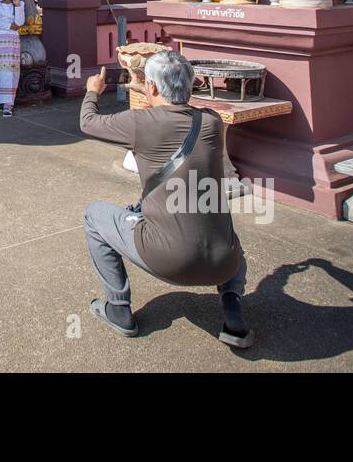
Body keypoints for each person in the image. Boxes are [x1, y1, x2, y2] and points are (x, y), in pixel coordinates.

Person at [79, 50, 252, 348]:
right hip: (225, 261)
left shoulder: (139, 123)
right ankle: (233, 311)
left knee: (94, 215)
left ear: (154, 88)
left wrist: (92, 91)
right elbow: (178, 113)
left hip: (168, 259)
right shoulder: (211, 123)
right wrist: (150, 88)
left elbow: (88, 122)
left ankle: (118, 308)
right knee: (219, 225)